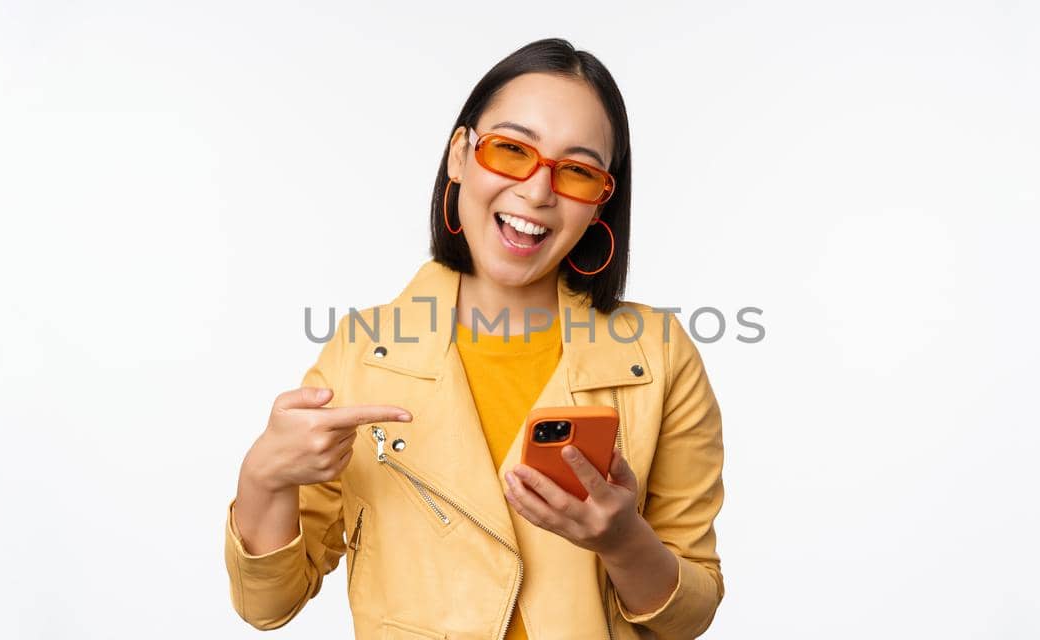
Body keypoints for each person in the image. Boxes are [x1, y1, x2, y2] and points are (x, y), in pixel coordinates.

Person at [225, 38, 725, 639]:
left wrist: (623, 541)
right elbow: (269, 604)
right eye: (512, 150)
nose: (538, 192)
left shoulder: (660, 353)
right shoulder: (363, 351)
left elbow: (689, 616)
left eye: (577, 171)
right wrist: (264, 477)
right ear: (459, 155)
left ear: (599, 204)